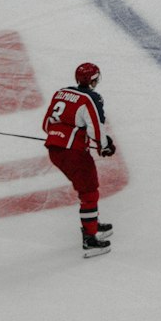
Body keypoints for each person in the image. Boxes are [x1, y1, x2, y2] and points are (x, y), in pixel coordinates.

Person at [43, 62, 117, 259]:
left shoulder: (60, 93)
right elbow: (95, 128)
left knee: (87, 188)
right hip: (73, 154)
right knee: (89, 191)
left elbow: (46, 125)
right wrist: (105, 145)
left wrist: (60, 137)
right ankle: (90, 239)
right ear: (94, 80)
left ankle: (91, 223)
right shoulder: (91, 99)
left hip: (54, 150)